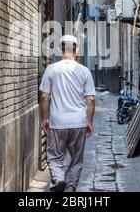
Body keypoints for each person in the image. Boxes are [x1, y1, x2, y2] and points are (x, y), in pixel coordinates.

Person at [39, 35, 96, 192]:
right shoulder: (84, 71)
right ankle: (70, 190)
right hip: (79, 122)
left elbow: (44, 96)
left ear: (59, 50)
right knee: (76, 161)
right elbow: (90, 99)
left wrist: (45, 118)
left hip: (58, 122)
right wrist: (89, 121)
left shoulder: (51, 69)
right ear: (77, 50)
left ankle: (58, 178)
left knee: (54, 156)